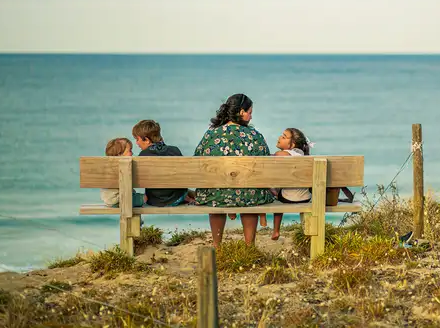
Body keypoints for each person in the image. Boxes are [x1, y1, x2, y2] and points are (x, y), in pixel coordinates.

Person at [194, 94, 274, 246]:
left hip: (216, 195)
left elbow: (197, 161)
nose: (251, 117)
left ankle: (217, 246)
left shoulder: (211, 134)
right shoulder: (255, 135)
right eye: (250, 112)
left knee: (216, 198)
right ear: (241, 112)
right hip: (250, 195)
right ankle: (249, 246)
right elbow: (266, 165)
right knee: (250, 196)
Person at [132, 120, 195, 206]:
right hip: (177, 199)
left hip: (154, 201)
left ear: (146, 140)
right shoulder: (174, 150)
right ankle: (192, 196)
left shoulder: (143, 155)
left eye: (137, 139)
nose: (137, 143)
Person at [271, 128, 314, 240]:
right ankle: (308, 230)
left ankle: (276, 230)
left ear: (292, 145)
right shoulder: (303, 155)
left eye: (284, 137)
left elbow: (278, 156)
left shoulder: (284, 154)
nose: (280, 137)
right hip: (306, 198)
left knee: (277, 196)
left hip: (287, 198)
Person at [100, 138, 147, 207]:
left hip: (109, 200)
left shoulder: (108, 168)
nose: (132, 153)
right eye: (130, 150)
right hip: (121, 199)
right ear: (120, 154)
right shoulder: (124, 168)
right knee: (145, 198)